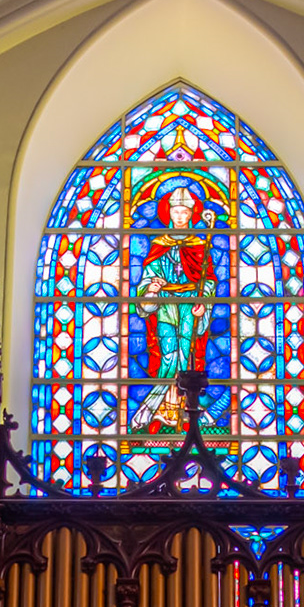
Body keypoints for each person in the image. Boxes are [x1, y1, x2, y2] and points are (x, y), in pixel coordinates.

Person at [129, 180, 219, 433]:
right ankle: (163, 410)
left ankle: (185, 409)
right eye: (175, 211)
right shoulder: (159, 245)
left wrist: (204, 304)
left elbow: (209, 281)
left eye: (185, 212)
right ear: (168, 213)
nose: (179, 216)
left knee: (186, 354)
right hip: (167, 307)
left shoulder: (201, 246)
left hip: (190, 306)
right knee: (169, 356)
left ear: (191, 215)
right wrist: (152, 289)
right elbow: (148, 276)